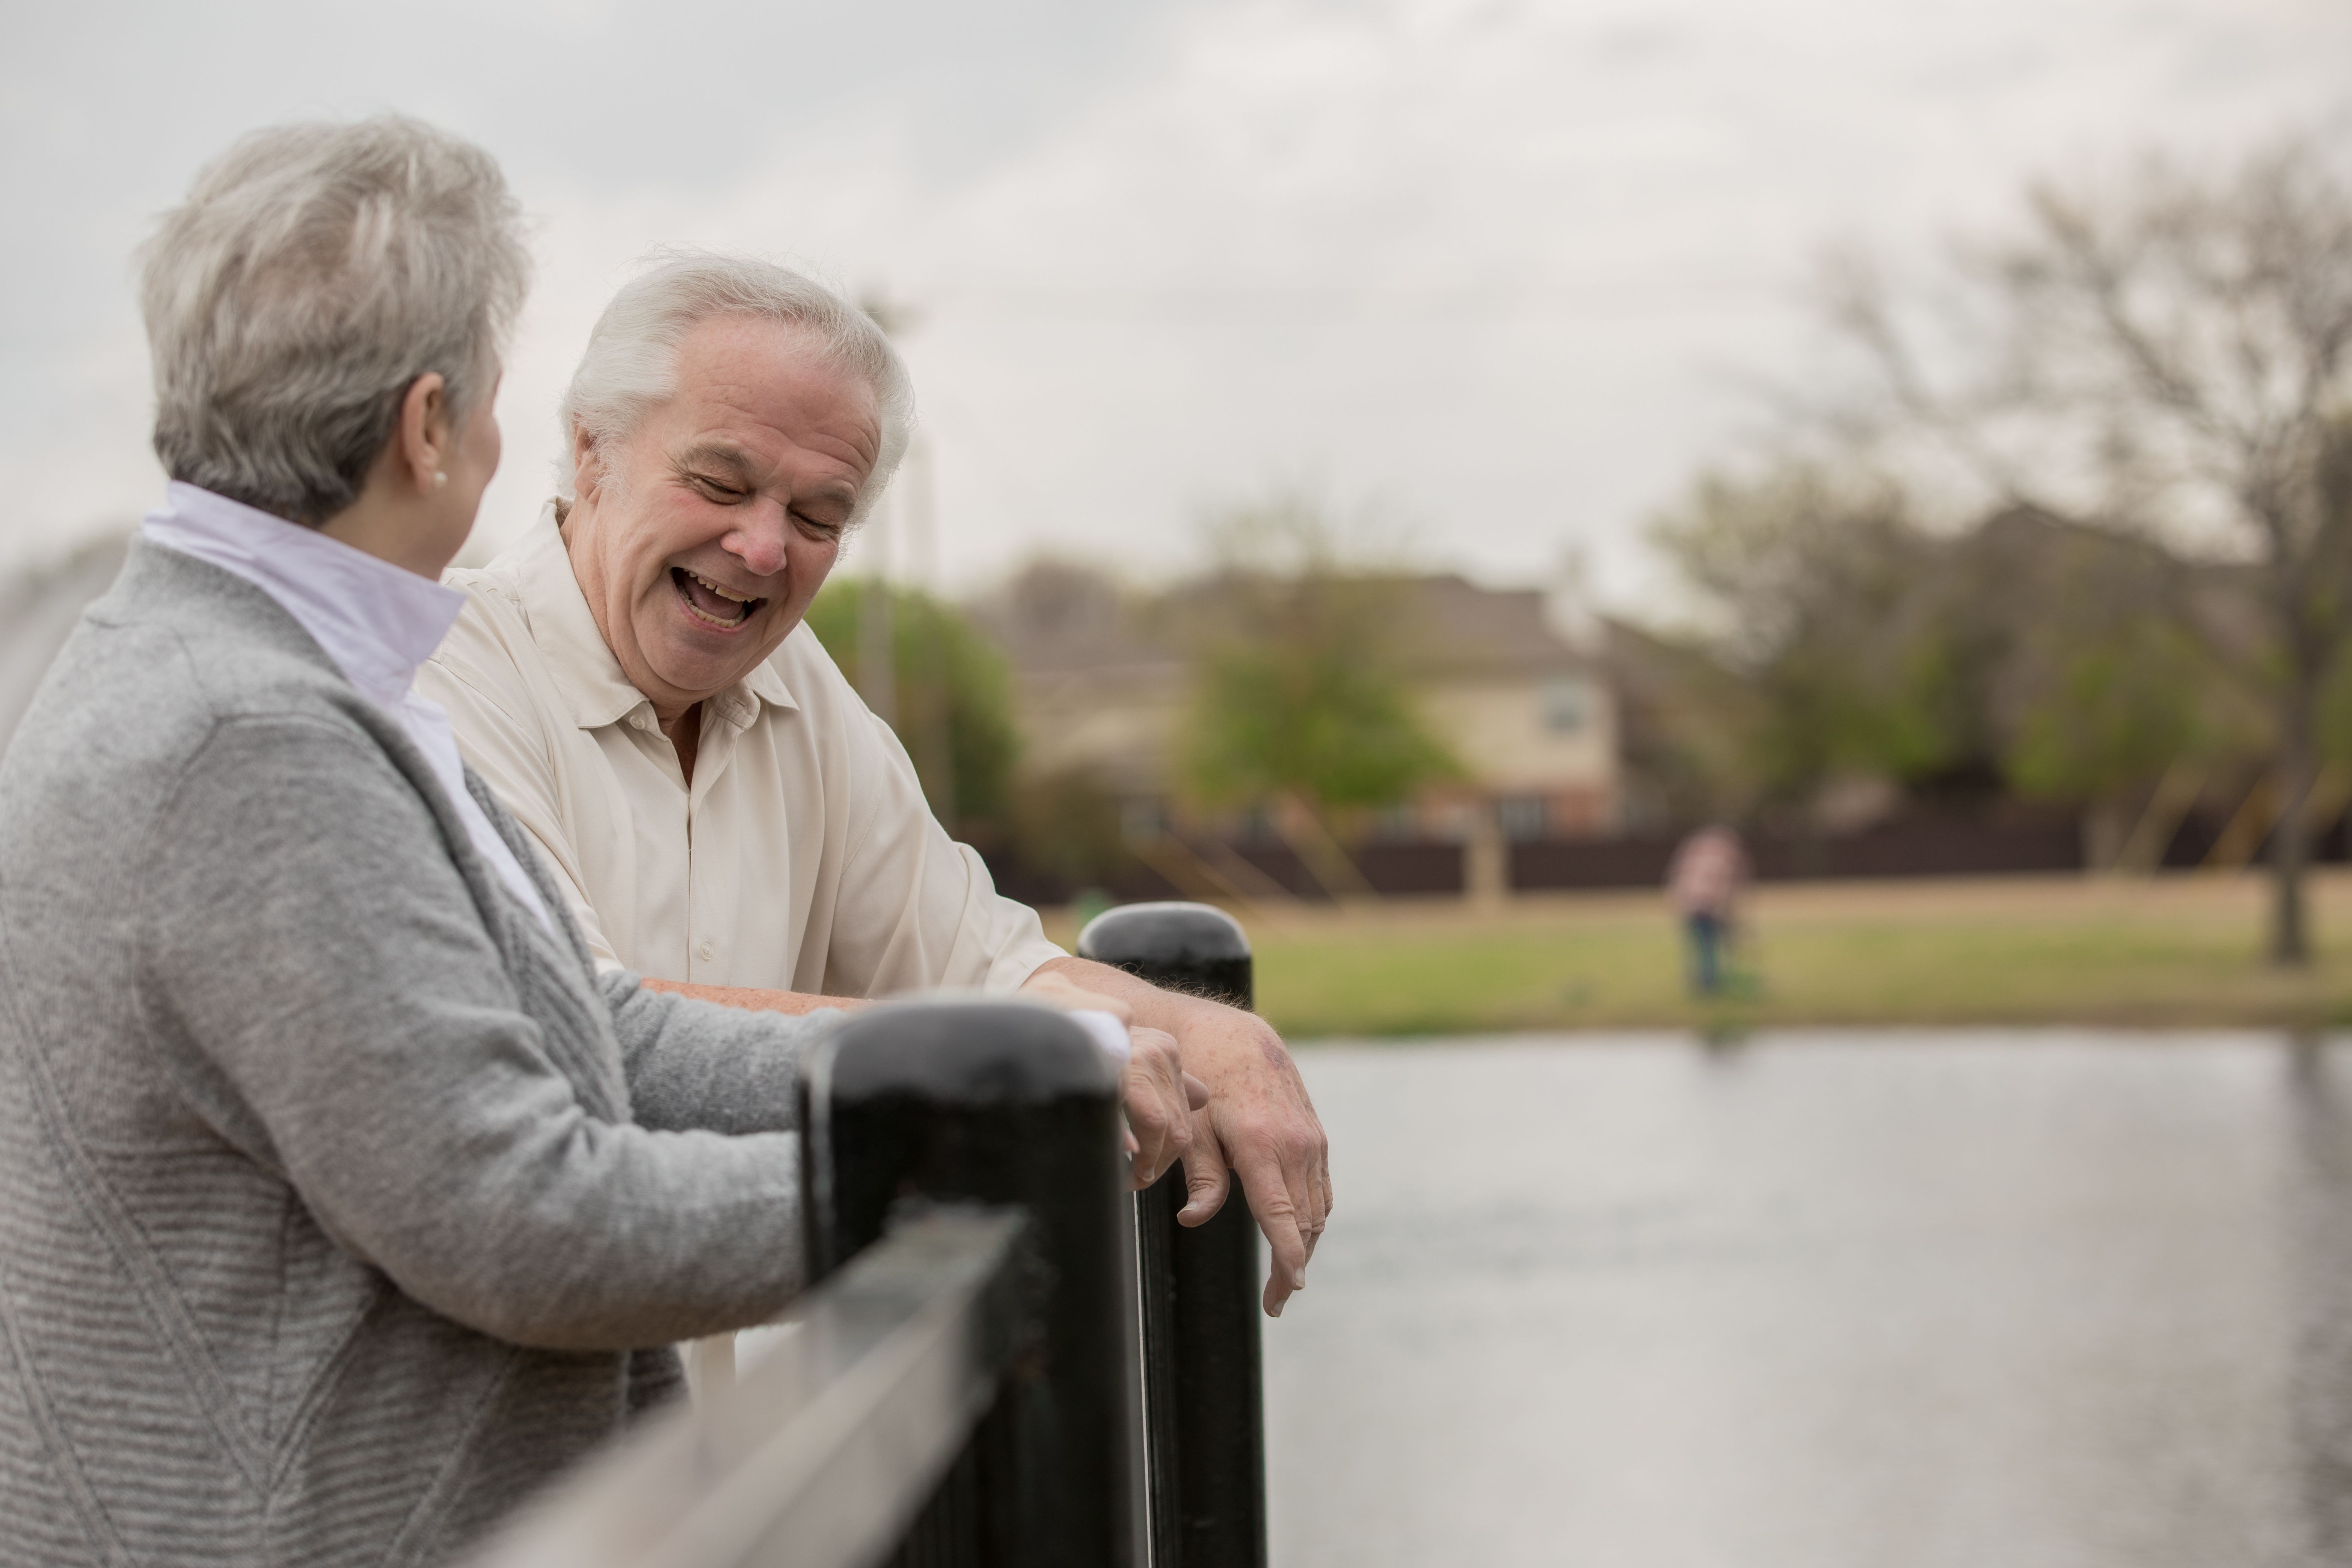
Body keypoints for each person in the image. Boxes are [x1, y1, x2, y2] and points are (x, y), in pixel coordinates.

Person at [0, 118, 1189, 1565]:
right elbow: (523, 1220)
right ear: (430, 426)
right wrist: (965, 1171)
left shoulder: (255, 672)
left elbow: (588, 1025)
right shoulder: (251, 733)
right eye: (493, 398)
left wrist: (1020, 1068)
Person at [418, 254, 1331, 1316]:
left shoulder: (793, 683)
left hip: (744, 1413)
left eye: (818, 517)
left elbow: (981, 965)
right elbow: (579, 1026)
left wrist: (1218, 1038)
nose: (763, 547)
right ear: (591, 448)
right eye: (719, 482)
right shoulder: (433, 672)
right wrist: (1038, 1051)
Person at [1666, 822, 1751, 996]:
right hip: (1708, 908)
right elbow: (1724, 888)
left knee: (1701, 947)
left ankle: (1705, 982)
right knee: (1708, 947)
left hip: (1693, 906)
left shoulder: (1694, 855)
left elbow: (1679, 881)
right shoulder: (1722, 859)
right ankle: (1709, 985)